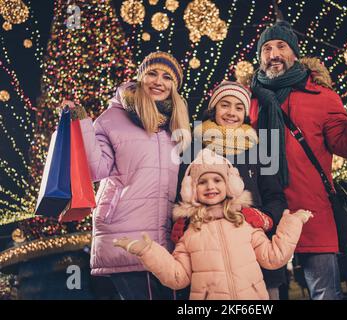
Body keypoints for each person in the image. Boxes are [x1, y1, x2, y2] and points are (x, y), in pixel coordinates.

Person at [249, 20, 347, 299]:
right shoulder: (249, 100)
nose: (273, 54)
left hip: (312, 214)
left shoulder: (321, 97)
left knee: (324, 295)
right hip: (264, 217)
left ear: (295, 53)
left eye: (281, 46)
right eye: (267, 48)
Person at [64, 51, 191, 300]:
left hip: (167, 239)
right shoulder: (114, 118)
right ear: (140, 77)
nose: (158, 81)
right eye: (152, 73)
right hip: (127, 233)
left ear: (174, 86)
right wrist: (81, 125)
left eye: (167, 77)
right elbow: (95, 170)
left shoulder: (175, 125)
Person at [113, 149, 313, 300]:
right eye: (202, 182)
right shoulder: (190, 233)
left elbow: (273, 258)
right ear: (191, 190)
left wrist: (293, 223)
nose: (210, 186)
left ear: (229, 185)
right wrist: (147, 252)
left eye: (217, 179)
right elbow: (177, 277)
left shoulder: (245, 224)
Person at [171, 81, 289, 299]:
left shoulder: (257, 150)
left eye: (238, 107)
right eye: (225, 105)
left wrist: (265, 218)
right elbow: (183, 194)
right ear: (213, 108)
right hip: (210, 256)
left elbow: (275, 195)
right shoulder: (195, 147)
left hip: (255, 250)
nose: (231, 112)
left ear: (245, 113)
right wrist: (182, 222)